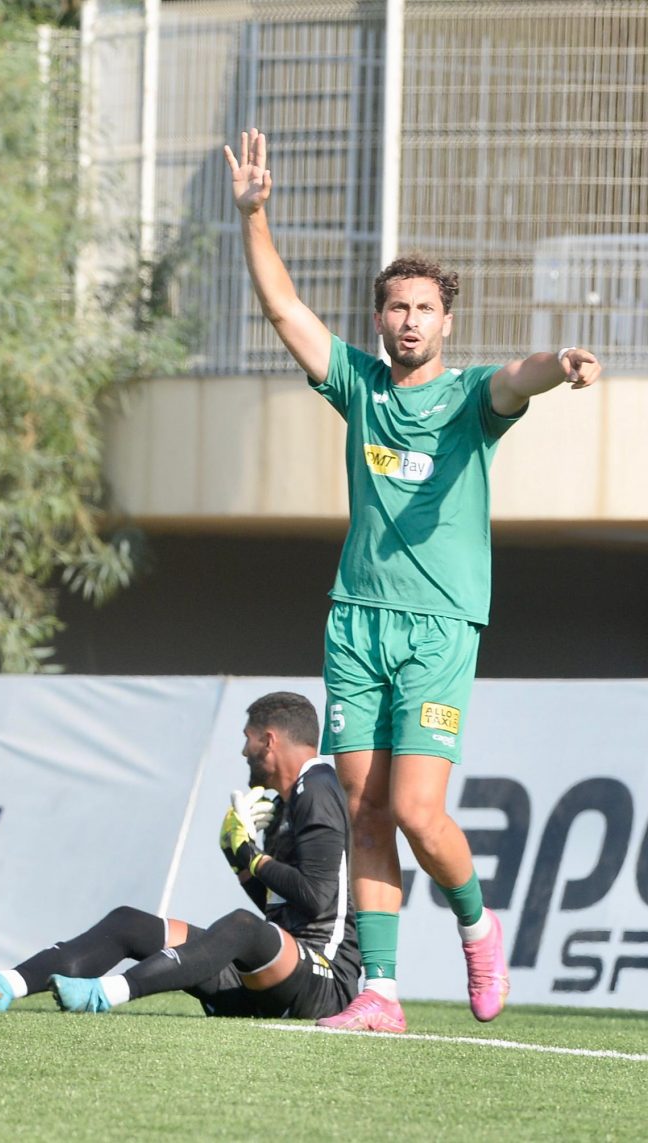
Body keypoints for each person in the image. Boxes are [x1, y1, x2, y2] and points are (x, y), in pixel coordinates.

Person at [225, 128, 601, 1032]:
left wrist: (560, 366)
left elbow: (517, 378)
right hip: (356, 622)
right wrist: (254, 216)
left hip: (438, 626)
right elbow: (285, 313)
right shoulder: (359, 387)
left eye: (424, 308)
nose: (409, 320)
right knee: (364, 809)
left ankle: (477, 926)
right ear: (380, 318)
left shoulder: (467, 400)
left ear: (445, 322)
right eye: (396, 306)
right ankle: (382, 992)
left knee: (418, 810)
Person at [0, 691, 357, 1019]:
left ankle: (105, 994)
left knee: (241, 926)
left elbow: (315, 898)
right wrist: (238, 861)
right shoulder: (285, 803)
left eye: (248, 740)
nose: (244, 752)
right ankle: (4, 984)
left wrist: (251, 855)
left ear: (269, 740)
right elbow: (278, 909)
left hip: (323, 984)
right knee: (129, 923)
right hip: (271, 980)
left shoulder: (316, 788)